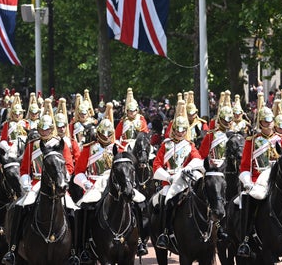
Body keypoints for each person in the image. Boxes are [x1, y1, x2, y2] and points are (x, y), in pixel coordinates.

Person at [2, 101, 76, 265]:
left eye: (47, 129)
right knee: (19, 207)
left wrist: (63, 179)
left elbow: (69, 166)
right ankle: (13, 248)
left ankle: (74, 251)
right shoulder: (33, 144)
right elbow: (24, 168)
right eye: (42, 129)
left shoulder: (60, 144)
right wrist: (26, 182)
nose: (44, 132)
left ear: (52, 129)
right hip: (36, 182)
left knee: (72, 210)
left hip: (58, 183)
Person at [72, 103, 147, 261]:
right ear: (98, 133)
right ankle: (83, 246)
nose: (106, 137)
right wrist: (86, 184)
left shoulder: (120, 148)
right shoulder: (88, 149)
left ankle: (140, 240)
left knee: (139, 202)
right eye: (103, 134)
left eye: (108, 134)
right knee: (83, 208)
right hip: (95, 184)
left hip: (117, 183)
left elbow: (128, 168)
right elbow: (78, 172)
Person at [236, 104, 282, 257]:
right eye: (265, 121)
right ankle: (246, 240)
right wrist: (248, 182)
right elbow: (244, 166)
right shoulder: (251, 141)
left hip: (280, 180)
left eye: (270, 120)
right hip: (258, 182)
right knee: (248, 200)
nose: (269, 123)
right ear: (260, 123)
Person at [153, 99, 204, 250]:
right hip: (169, 181)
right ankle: (165, 232)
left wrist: (188, 168)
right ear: (173, 129)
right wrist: (167, 177)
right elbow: (156, 165)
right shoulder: (165, 145)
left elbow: (198, 159)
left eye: (183, 130)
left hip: (185, 180)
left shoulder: (189, 145)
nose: (180, 132)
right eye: (178, 130)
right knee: (166, 200)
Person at [56, 97, 81, 165]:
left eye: (63, 126)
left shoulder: (72, 142)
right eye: (59, 127)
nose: (61, 129)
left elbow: (77, 159)